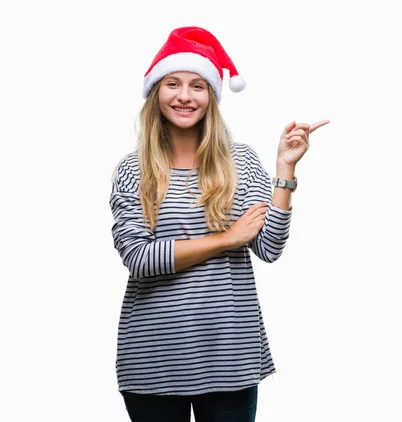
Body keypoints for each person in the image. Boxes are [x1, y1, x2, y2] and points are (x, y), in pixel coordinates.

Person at [109, 26, 329, 422]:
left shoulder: (240, 161)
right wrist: (227, 238)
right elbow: (139, 257)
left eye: (197, 86)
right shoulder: (132, 170)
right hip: (153, 357)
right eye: (172, 84)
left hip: (230, 352)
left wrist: (284, 171)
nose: (184, 96)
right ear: (155, 94)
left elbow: (268, 247)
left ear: (211, 96)